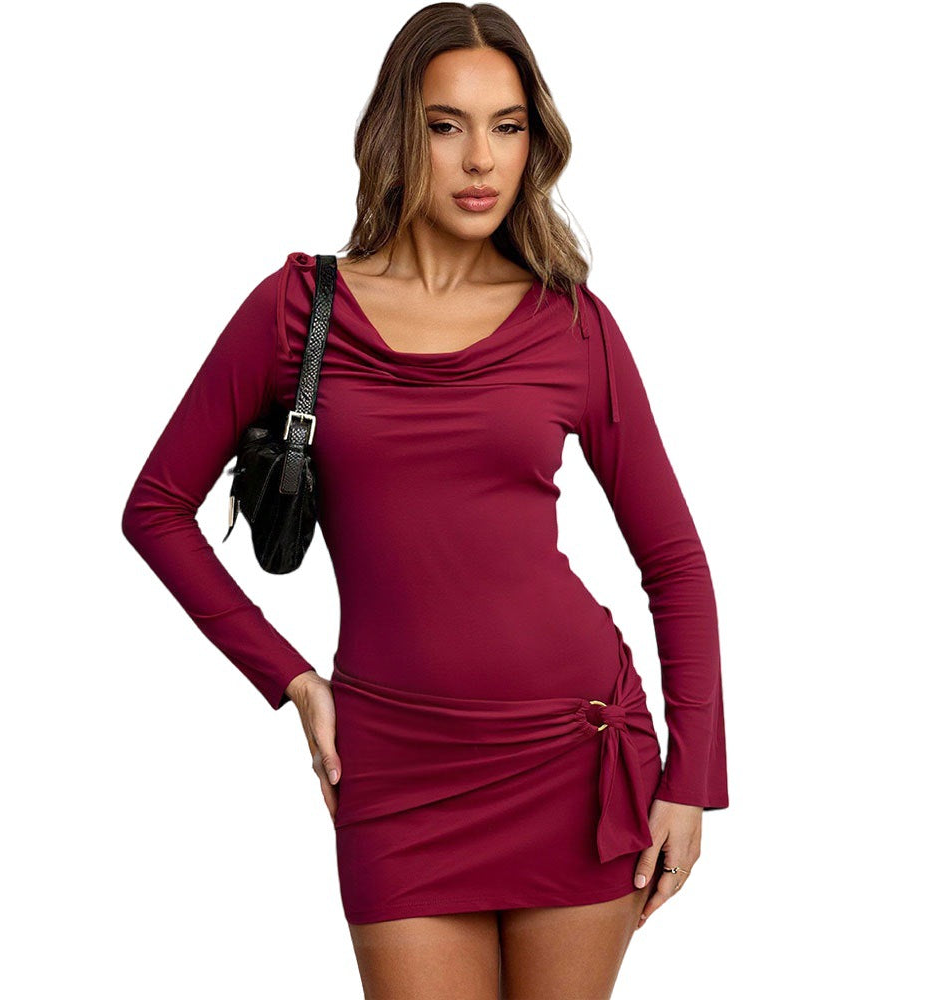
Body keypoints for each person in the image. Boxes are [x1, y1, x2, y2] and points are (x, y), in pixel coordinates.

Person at [121, 4, 729, 997]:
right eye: (447, 125)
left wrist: (691, 781)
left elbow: (674, 562)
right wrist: (291, 679)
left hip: (569, 751)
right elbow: (155, 509)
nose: (480, 159)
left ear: (533, 144)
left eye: (507, 126)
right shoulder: (297, 311)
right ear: (398, 134)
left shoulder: (572, 324)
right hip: (394, 766)